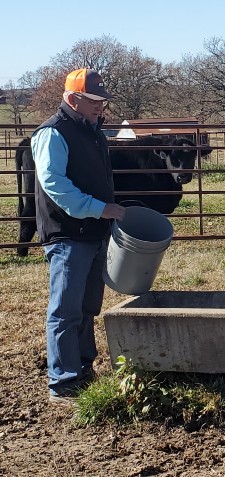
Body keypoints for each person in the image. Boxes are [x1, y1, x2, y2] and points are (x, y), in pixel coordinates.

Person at [30, 68, 127, 405]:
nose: (101, 107)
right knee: (65, 309)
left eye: (103, 101)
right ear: (73, 99)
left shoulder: (90, 130)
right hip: (67, 234)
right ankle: (64, 382)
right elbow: (55, 184)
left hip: (91, 232)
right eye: (95, 101)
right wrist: (99, 208)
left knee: (86, 307)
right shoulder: (53, 133)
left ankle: (83, 369)